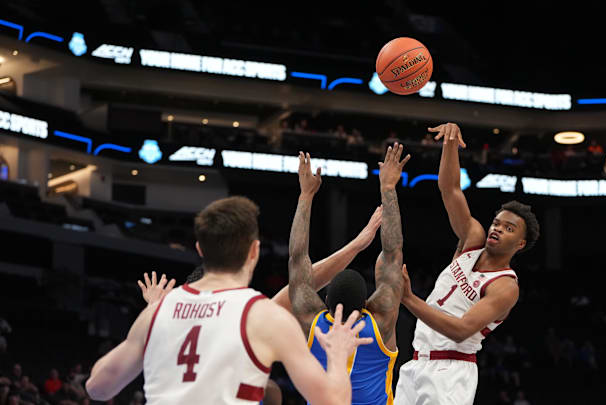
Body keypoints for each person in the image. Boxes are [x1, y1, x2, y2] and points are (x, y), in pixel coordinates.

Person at [85, 195, 373, 405]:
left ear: (199, 248)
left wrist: (151, 321)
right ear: (254, 252)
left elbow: (97, 388)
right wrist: (337, 355)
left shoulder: (157, 314)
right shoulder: (264, 317)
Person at [394, 123, 540, 405]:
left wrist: (409, 299)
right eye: (497, 222)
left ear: (520, 244)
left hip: (451, 372)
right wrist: (449, 143)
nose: (497, 229)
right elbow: (450, 189)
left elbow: (462, 330)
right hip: (415, 362)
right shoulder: (472, 239)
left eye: (509, 228)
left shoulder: (505, 286)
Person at [288, 145, 409, 404]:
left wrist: (306, 195)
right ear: (367, 303)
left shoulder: (312, 323)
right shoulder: (381, 321)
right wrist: (388, 188)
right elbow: (393, 252)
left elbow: (298, 260)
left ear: (326, 300)